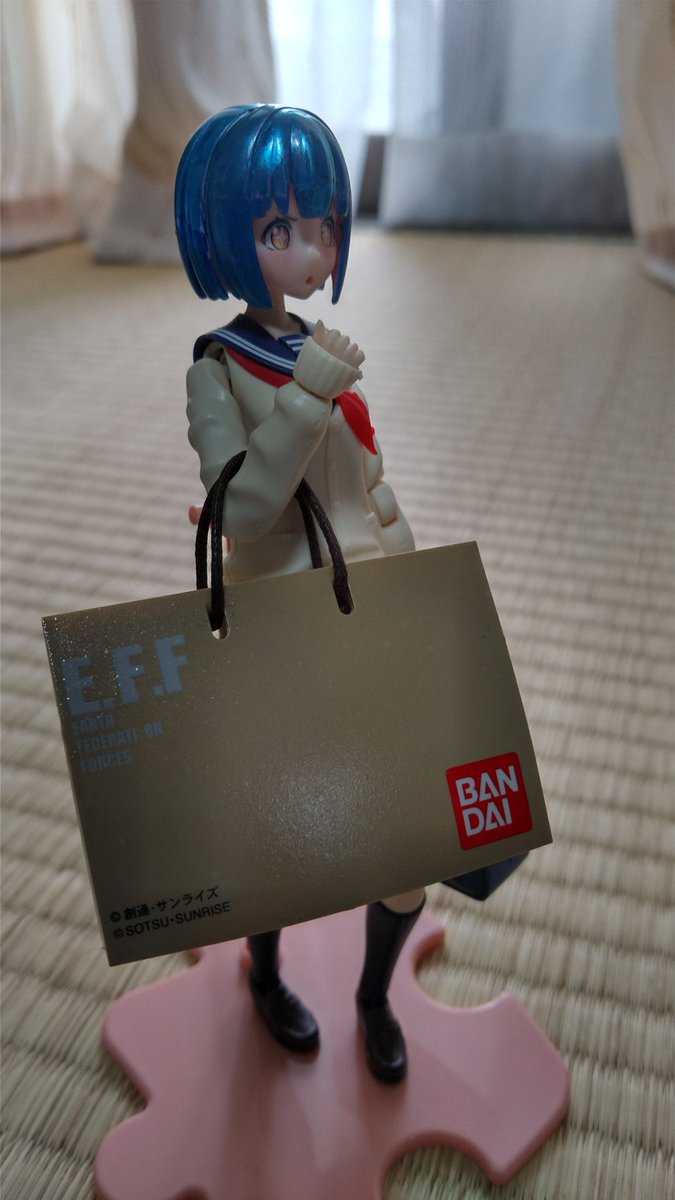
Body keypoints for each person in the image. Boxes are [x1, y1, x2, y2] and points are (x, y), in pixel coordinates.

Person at [175, 104, 424, 1083]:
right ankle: (267, 974)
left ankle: (373, 995)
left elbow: (366, 486)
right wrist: (310, 393)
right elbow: (239, 506)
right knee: (275, 843)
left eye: (322, 224)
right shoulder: (218, 365)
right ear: (228, 236)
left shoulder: (319, 342)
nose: (314, 248)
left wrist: (410, 572)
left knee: (404, 848)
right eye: (283, 228)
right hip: (284, 630)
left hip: (371, 617)